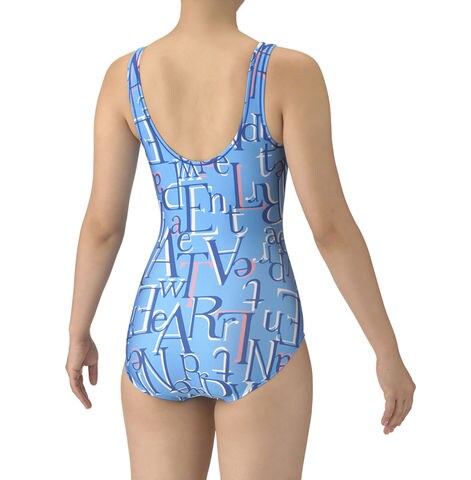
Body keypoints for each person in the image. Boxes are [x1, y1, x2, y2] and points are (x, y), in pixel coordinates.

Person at [65, 0, 416, 478]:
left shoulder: (124, 77)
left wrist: (78, 332)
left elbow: (102, 225)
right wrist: (386, 351)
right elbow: (330, 229)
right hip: (257, 324)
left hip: (159, 325)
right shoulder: (288, 73)